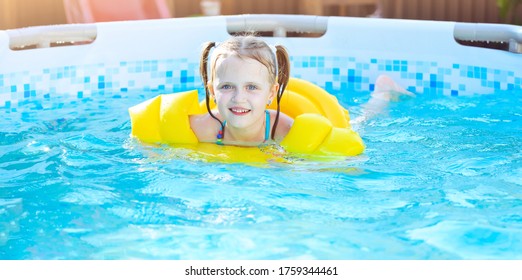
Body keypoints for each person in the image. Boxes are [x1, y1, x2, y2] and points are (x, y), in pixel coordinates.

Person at [188, 35, 413, 147]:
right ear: (211, 91)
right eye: (227, 86)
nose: (239, 98)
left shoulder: (282, 129)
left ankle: (382, 94)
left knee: (360, 124)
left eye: (251, 87)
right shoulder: (205, 127)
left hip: (317, 115)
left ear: (271, 93)